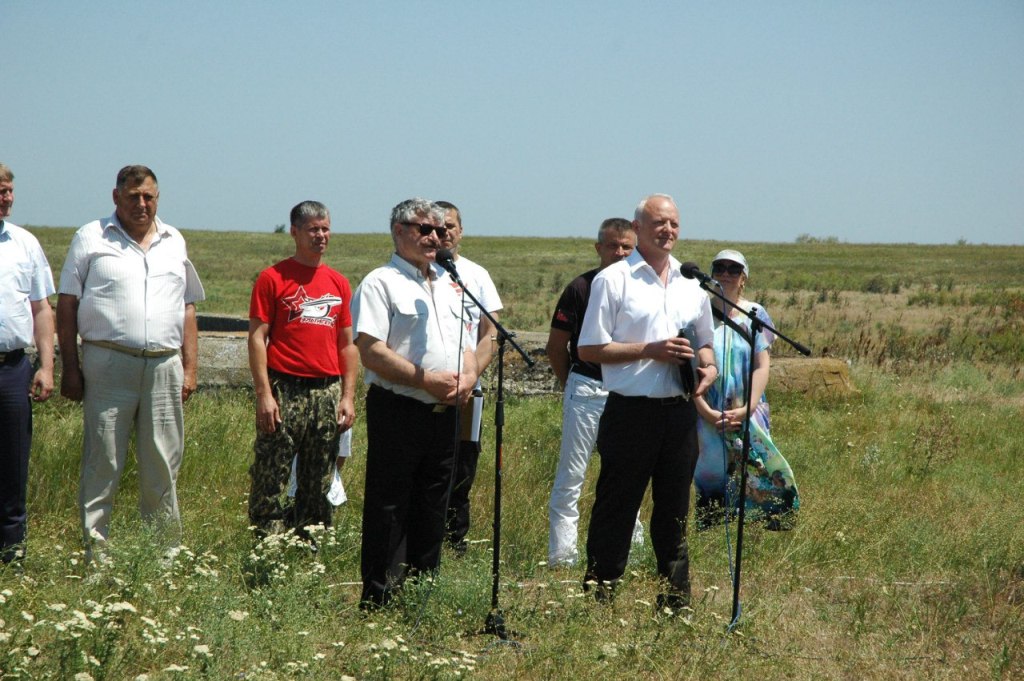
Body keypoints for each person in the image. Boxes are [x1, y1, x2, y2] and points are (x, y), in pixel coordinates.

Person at [577, 193, 717, 610]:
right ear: (637, 230)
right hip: (630, 411)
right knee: (617, 507)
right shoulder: (613, 280)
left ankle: (675, 601)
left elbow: (705, 341)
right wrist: (648, 350)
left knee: (674, 510)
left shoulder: (692, 282)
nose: (668, 230)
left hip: (678, 414)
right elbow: (589, 349)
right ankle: (600, 595)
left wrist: (708, 368)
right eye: (658, 223)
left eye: (674, 223)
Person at [57, 165, 204, 559]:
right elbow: (67, 303)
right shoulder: (90, 237)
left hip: (163, 366)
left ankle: (162, 558)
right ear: (116, 197)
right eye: (134, 196)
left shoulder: (175, 241)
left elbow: (187, 309)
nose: (142, 204)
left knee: (162, 463)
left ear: (158, 198)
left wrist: (190, 369)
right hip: (108, 364)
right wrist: (70, 368)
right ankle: (96, 556)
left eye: (149, 197)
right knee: (103, 459)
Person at [352, 198, 477, 608]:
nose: (434, 237)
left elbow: (470, 345)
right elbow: (371, 351)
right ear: (398, 231)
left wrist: (469, 376)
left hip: (446, 412)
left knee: (434, 505)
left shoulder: (450, 280)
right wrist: (425, 379)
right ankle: (380, 599)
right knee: (390, 505)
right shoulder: (380, 282)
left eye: (440, 230)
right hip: (399, 408)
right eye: (424, 229)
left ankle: (423, 595)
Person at [247, 201, 357, 543]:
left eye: (325, 228)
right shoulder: (272, 278)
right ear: (294, 232)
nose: (321, 235)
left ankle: (308, 547)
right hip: (285, 388)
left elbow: (347, 345)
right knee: (272, 474)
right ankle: (267, 547)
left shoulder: (338, 283)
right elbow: (257, 337)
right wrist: (265, 394)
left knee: (319, 477)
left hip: (326, 391)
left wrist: (348, 396)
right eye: (313, 229)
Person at [546, 218, 643, 567]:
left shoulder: (642, 289)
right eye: (612, 245)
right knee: (572, 475)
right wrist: (569, 383)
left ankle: (631, 553)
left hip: (629, 392)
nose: (619, 252)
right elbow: (556, 347)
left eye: (626, 247)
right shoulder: (581, 288)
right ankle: (562, 556)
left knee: (626, 476)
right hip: (587, 387)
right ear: (598, 247)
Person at [693, 249, 799, 529]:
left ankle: (759, 527)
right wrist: (704, 410)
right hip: (708, 412)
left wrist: (747, 409)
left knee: (756, 470)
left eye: (734, 270)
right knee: (713, 473)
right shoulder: (697, 312)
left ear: (744, 278)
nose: (726, 274)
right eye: (720, 268)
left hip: (747, 410)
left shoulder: (755, 313)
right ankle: (713, 530)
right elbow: (689, 367)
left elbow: (761, 365)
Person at [434, 200, 503, 555]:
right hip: (426, 388)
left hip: (468, 388)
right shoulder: (419, 271)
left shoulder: (476, 275)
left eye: (451, 226)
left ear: (461, 231)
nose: (444, 232)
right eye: (438, 226)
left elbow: (489, 334)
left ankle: (454, 538)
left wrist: (472, 373)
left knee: (463, 461)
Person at [0, 162, 56, 564]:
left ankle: (10, 553)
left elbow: (41, 309)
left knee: (12, 462)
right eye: (0, 190)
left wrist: (47, 365)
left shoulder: (24, 244)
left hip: (12, 369)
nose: (7, 198)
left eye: (9, 190)